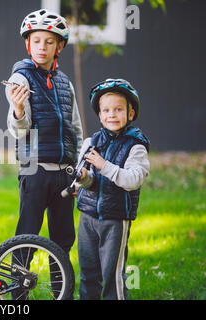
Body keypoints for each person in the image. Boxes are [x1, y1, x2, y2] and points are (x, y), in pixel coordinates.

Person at [6, 9, 83, 255]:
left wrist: (80, 166)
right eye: (37, 41)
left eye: (49, 42)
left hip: (65, 173)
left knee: (63, 238)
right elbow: (18, 131)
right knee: (27, 236)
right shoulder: (21, 78)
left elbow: (76, 127)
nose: (42, 47)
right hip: (35, 171)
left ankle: (62, 291)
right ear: (28, 43)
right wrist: (18, 110)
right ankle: (19, 290)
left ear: (59, 46)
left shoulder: (64, 82)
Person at [75, 78, 150, 300]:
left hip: (115, 218)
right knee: (88, 272)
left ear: (131, 113)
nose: (112, 115)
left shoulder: (135, 146)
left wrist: (103, 166)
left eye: (118, 109)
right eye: (106, 110)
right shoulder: (91, 141)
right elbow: (88, 180)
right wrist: (83, 179)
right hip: (88, 217)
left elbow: (133, 180)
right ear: (99, 115)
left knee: (112, 273)